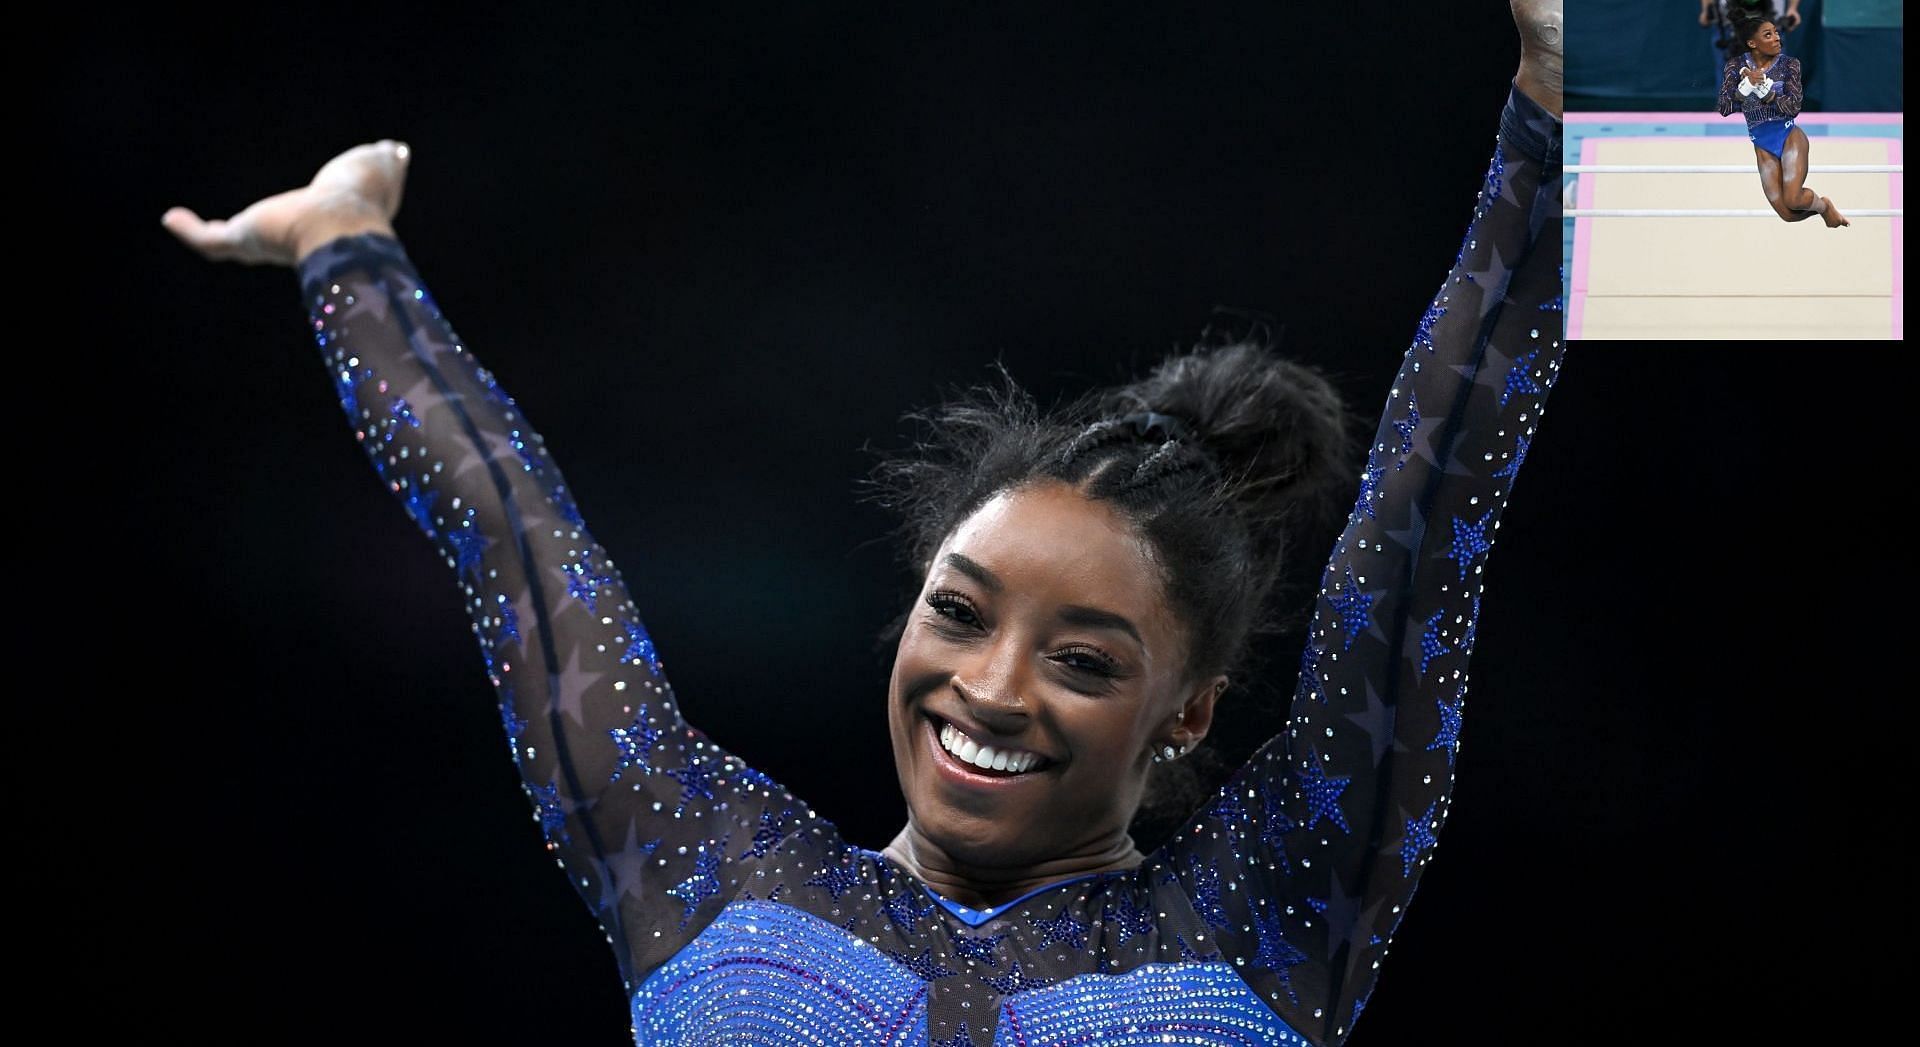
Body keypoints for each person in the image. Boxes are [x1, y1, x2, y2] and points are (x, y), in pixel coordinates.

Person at [161, 4, 1564, 1043]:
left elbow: (1427, 525)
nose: (993, 686)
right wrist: (345, 246)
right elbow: (509, 532)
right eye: (962, 609)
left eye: (1085, 658)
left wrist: (1548, 125)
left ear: (1188, 715)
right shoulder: (707, 856)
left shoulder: (1267, 909)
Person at [1716, 15, 1849, 227]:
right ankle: (1823, 208)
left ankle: (1825, 207)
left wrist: (1769, 95)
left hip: (1788, 136)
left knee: (1794, 199)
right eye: (1768, 35)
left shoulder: (1790, 65)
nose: (1777, 38)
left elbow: (1794, 108)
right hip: (1762, 145)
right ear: (1753, 43)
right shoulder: (1736, 66)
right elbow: (1723, 108)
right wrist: (1744, 89)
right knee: (1787, 214)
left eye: (1776, 33)